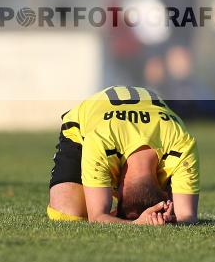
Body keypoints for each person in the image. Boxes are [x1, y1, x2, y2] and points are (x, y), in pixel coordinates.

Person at [47, 85, 199, 225]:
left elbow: (187, 217)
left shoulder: (182, 143)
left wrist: (167, 219)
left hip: (130, 123)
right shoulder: (101, 140)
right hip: (84, 124)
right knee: (69, 213)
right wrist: (137, 223)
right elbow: (97, 217)